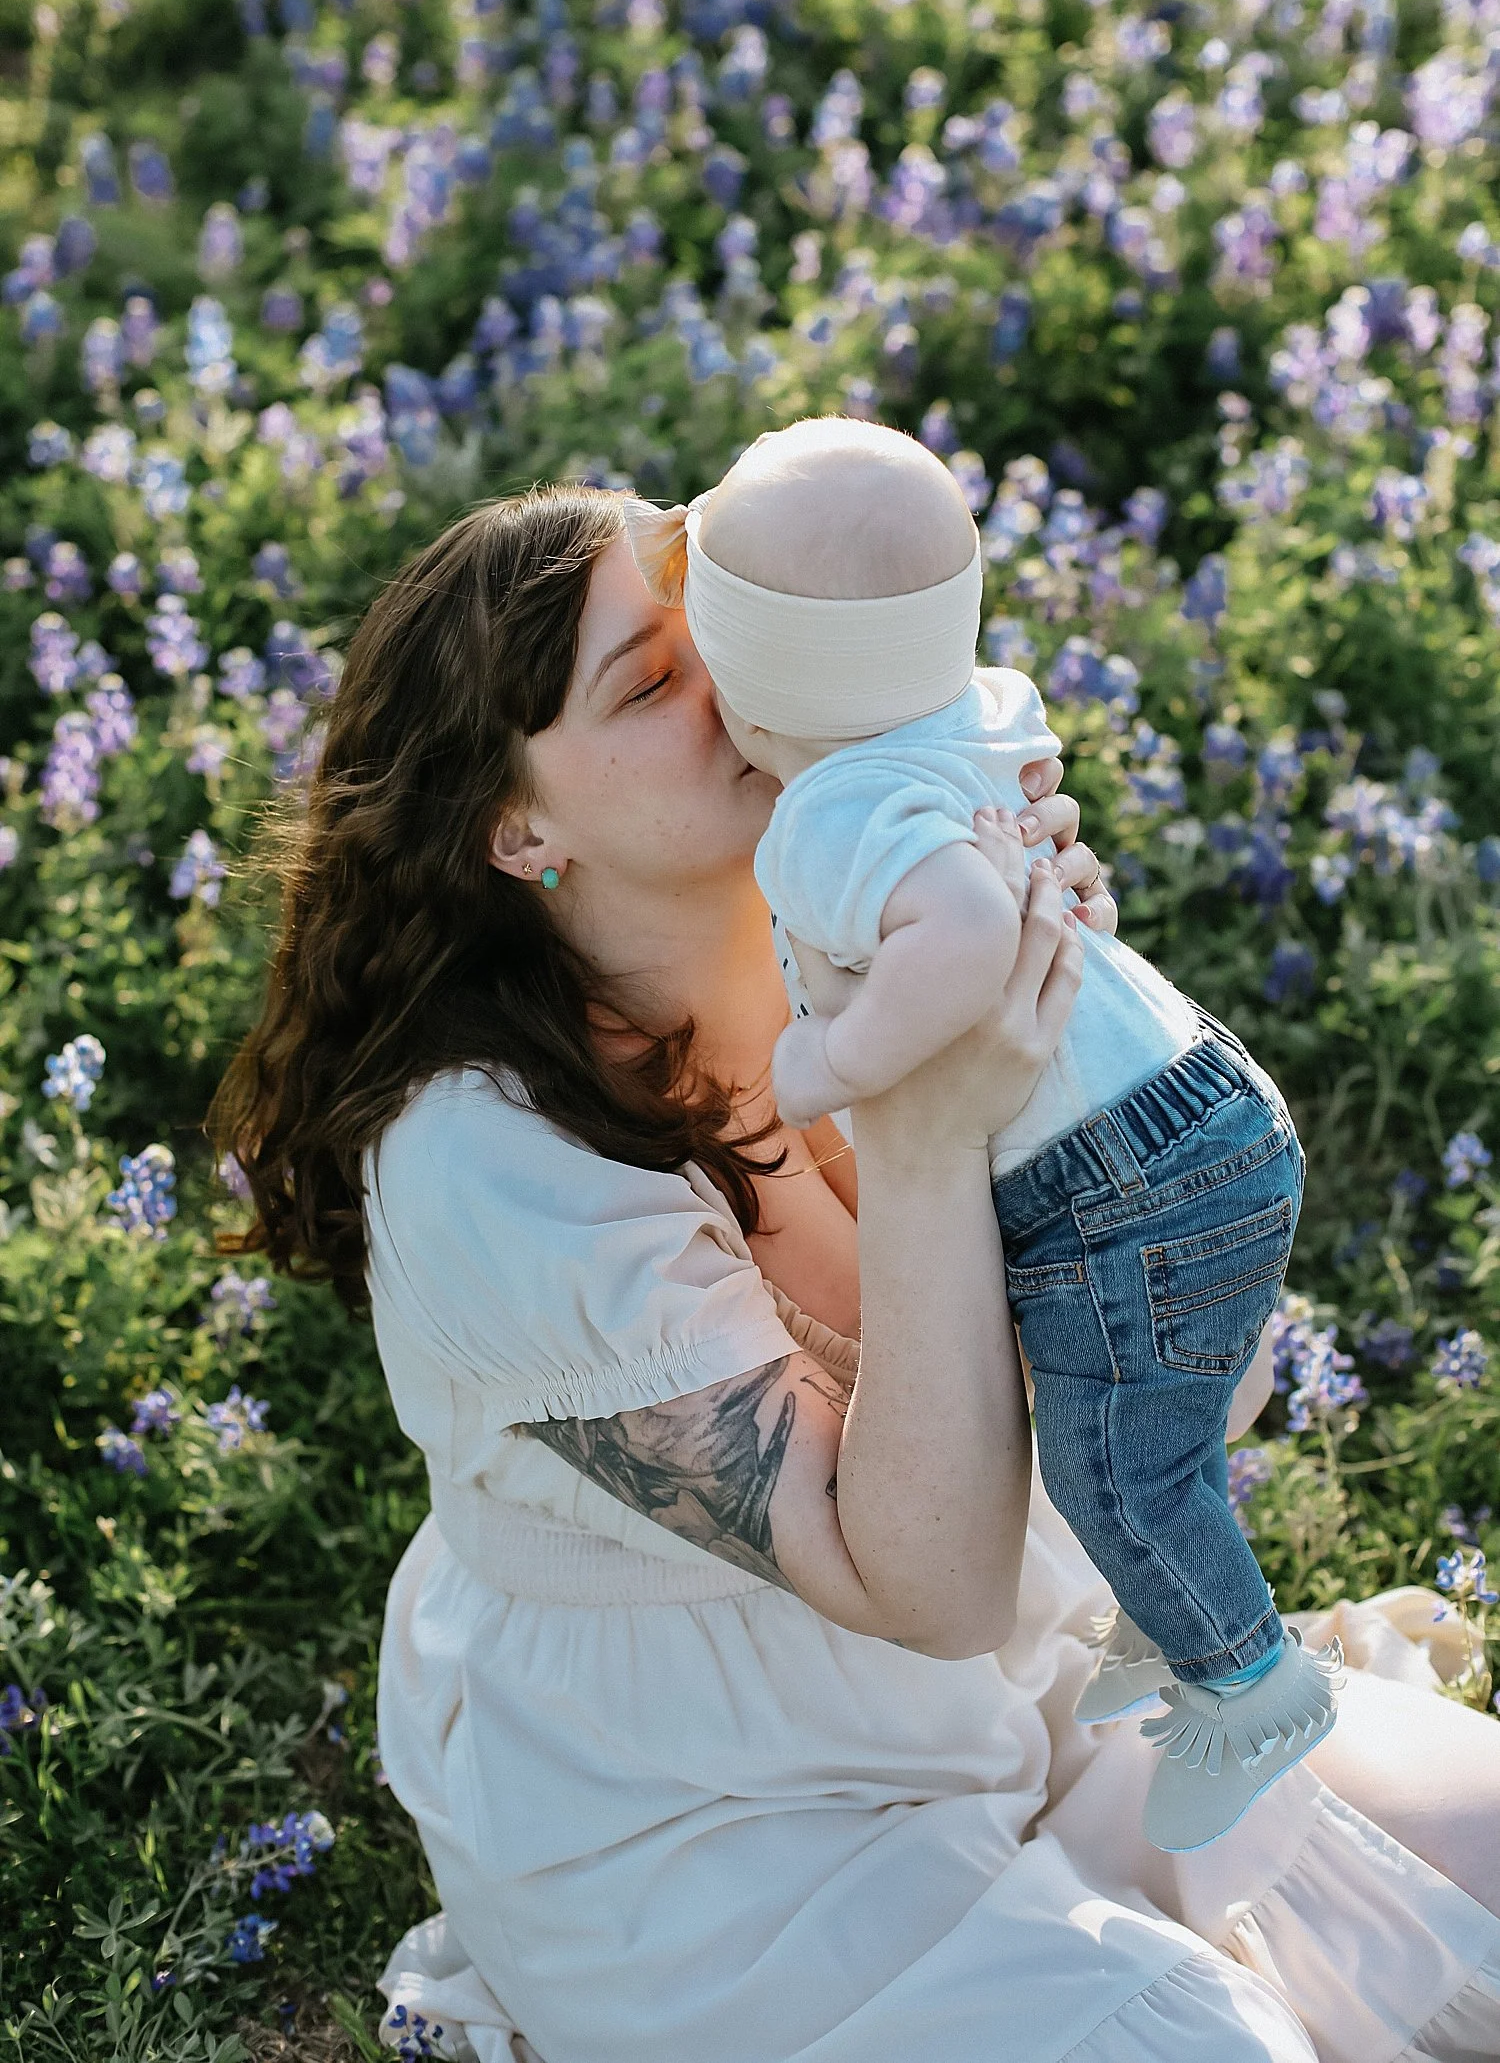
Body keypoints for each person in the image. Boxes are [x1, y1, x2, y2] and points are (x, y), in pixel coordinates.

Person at [213, 484, 1500, 2063]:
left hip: (1031, 1700)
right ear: (518, 826)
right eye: (649, 682)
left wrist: (1079, 1043)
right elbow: (931, 1585)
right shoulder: (486, 1163)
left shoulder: (857, 895)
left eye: (722, 642)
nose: (730, 690)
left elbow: (1207, 1389)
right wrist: (926, 1137)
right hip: (720, 1834)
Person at [617, 417, 1336, 1857]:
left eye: (688, 655)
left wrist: (846, 1054)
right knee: (1130, 1425)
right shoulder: (966, 711)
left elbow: (954, 928)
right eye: (645, 678)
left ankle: (1251, 1679)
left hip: (1124, 1169)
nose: (693, 683)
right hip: (1195, 1101)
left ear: (761, 689)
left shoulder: (831, 813)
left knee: (1117, 1469)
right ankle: (1167, 1607)